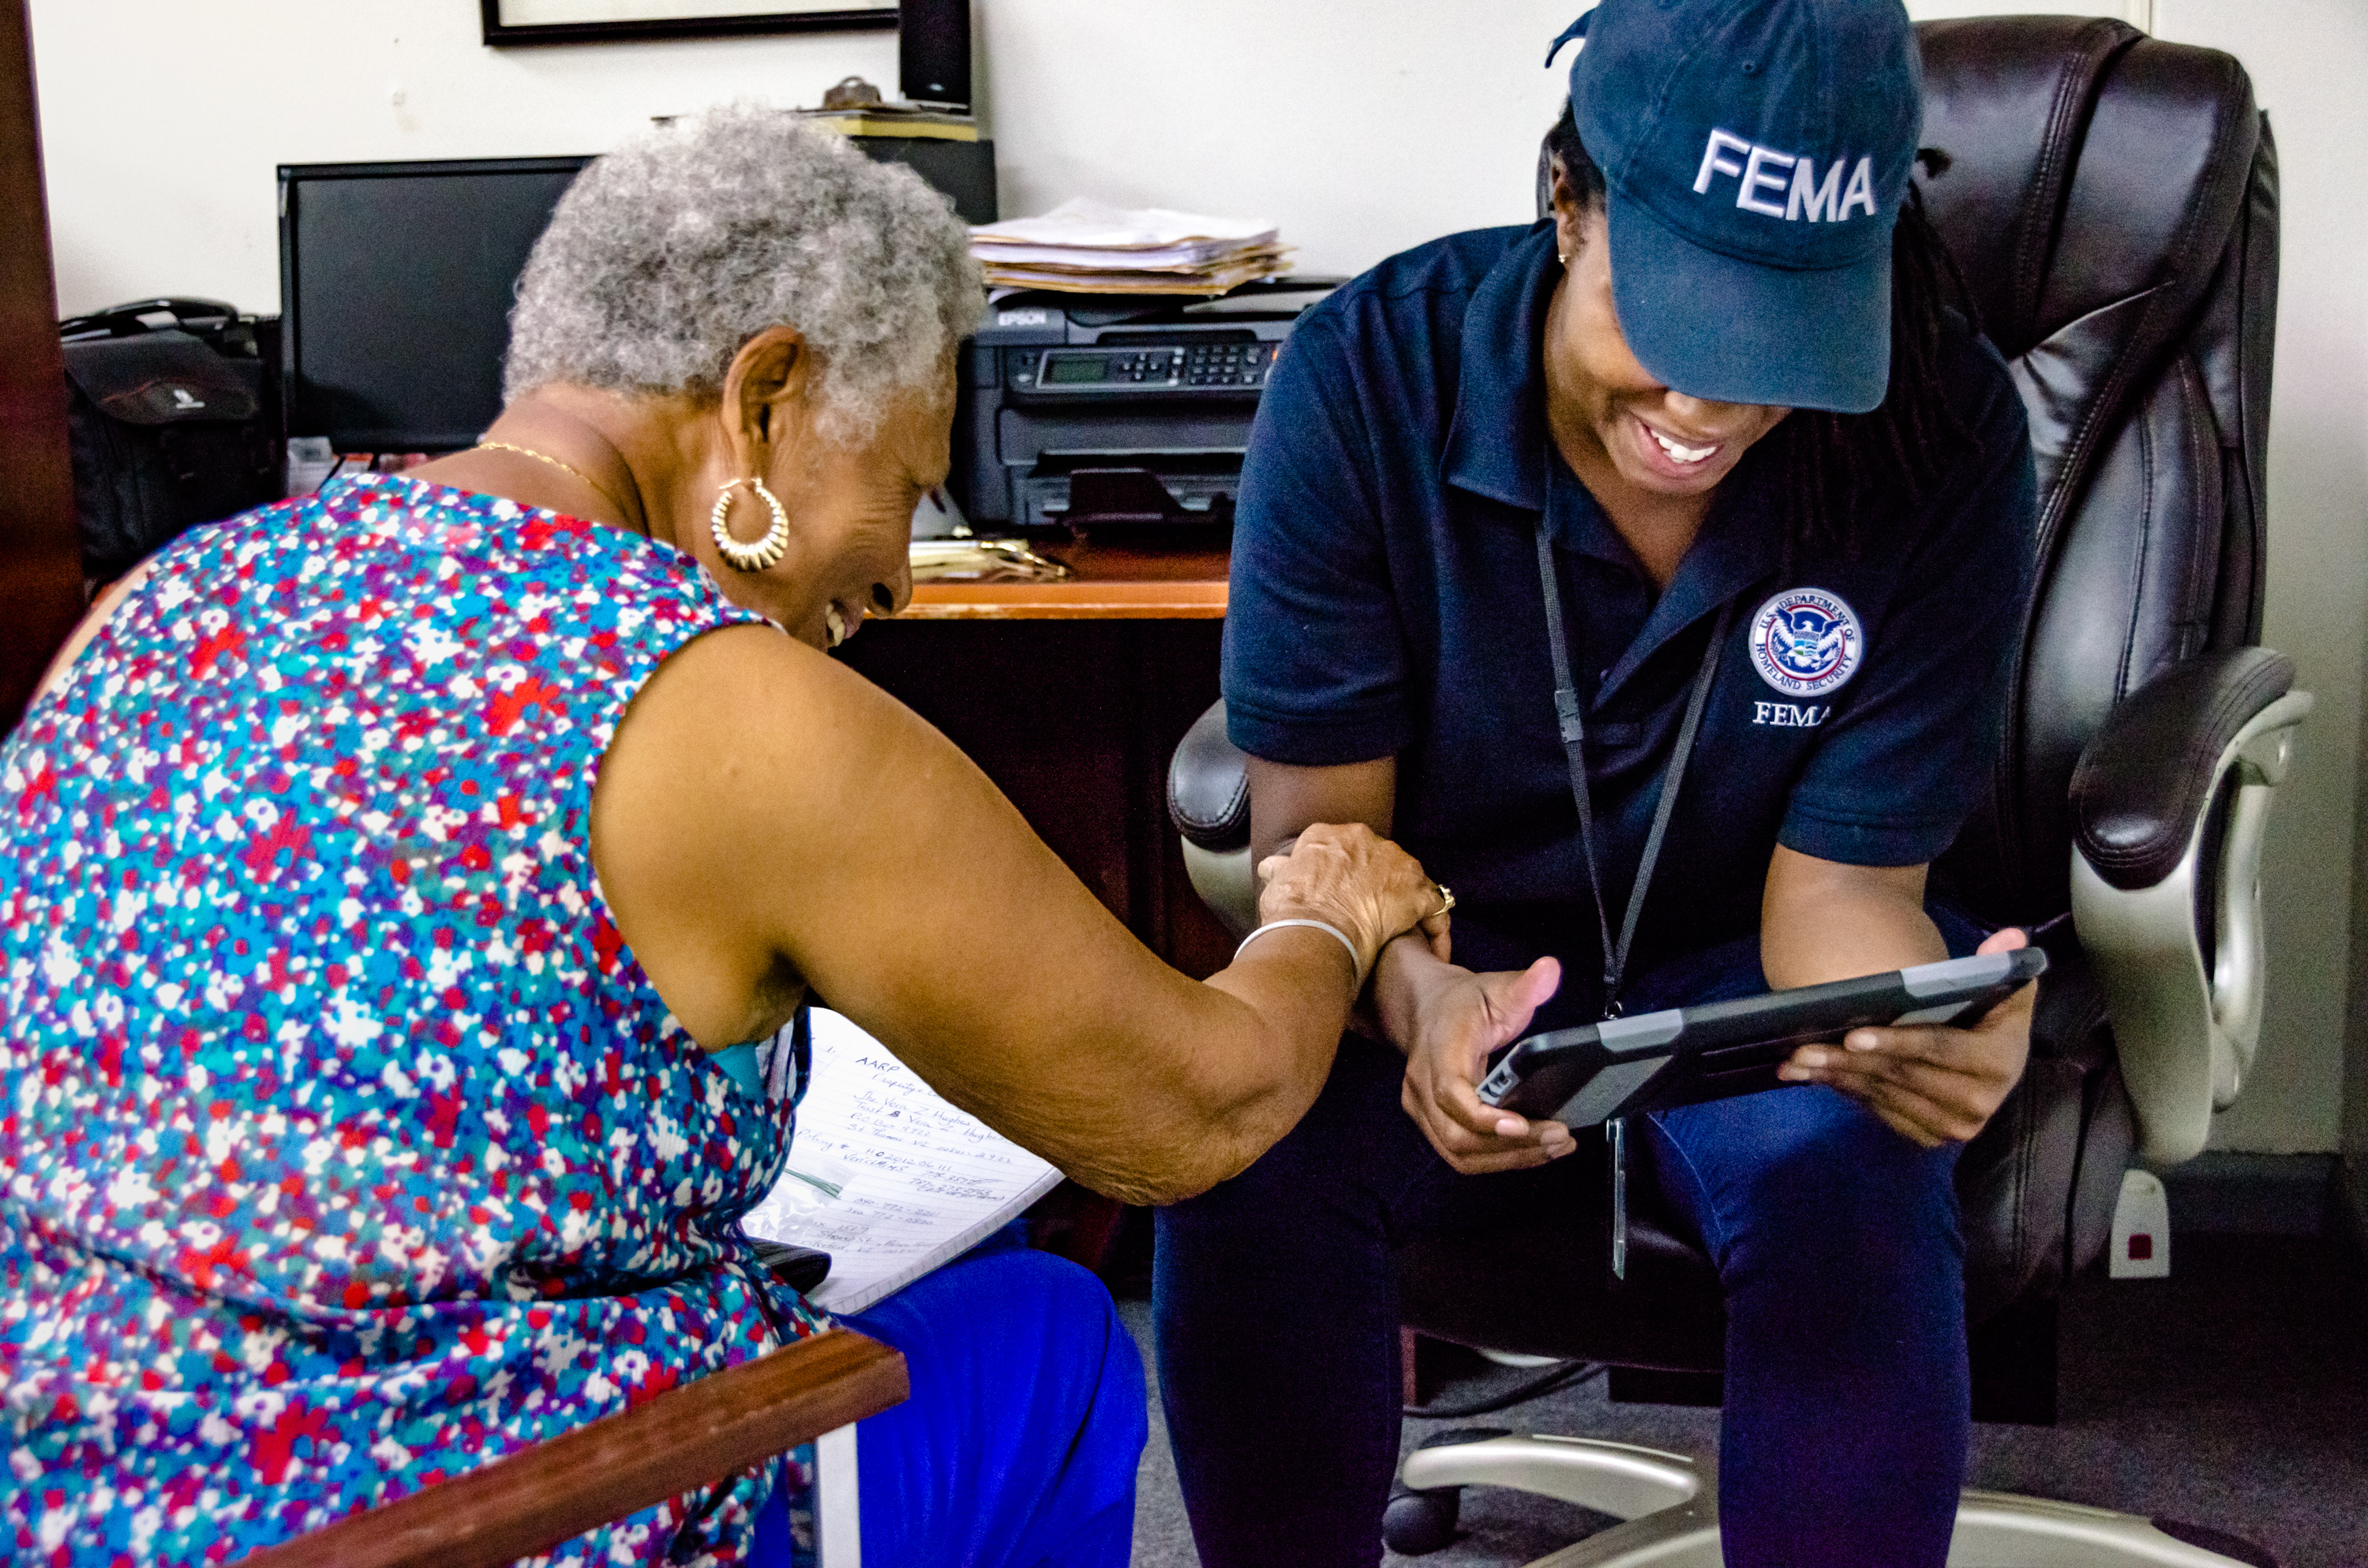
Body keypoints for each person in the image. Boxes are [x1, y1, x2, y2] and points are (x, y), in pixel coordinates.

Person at [0, 108, 1452, 1568]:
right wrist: (1324, 912)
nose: (892, 576)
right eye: (906, 481)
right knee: (1053, 1338)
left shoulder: (168, 595)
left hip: (73, 1493)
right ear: (763, 398)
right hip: (469, 1519)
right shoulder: (720, 700)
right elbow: (1193, 1115)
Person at [1152, 2, 2042, 1566]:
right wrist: (1423, 1003)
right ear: (1569, 201)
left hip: (1740, 989)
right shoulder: (1369, 378)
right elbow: (1327, 853)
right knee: (1244, 1145)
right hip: (1442, 953)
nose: (1708, 409)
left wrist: (1923, 1019)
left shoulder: (1941, 426)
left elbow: (1838, 894)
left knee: (1853, 1168)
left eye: (1780, 352)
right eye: (1675, 317)